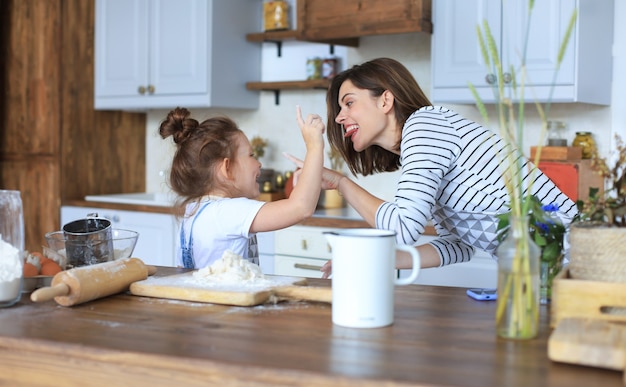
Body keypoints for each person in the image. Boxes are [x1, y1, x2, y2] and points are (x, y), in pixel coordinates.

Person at [288, 57, 578, 277]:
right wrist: (375, 260)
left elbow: (403, 228)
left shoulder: (426, 125)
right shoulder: (424, 143)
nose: (340, 117)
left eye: (348, 103)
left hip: (579, 262)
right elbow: (457, 244)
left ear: (386, 99)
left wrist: (341, 183)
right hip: (544, 274)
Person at [159, 106, 324, 269]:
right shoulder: (229, 212)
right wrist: (315, 146)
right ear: (227, 168)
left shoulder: (193, 210)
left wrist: (303, 186)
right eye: (251, 155)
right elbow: (301, 208)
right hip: (231, 296)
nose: (259, 163)